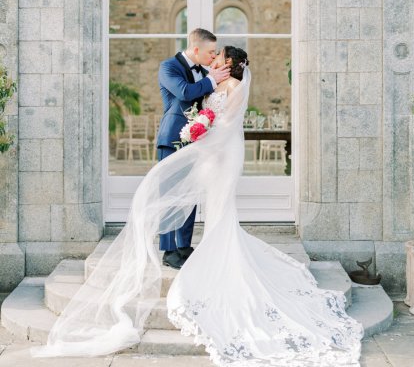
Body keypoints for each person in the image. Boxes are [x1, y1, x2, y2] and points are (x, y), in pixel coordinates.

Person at [32, 45, 363, 365]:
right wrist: (198, 127)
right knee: (205, 205)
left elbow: (227, 124)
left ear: (231, 63)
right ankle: (203, 249)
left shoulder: (233, 86)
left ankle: (219, 258)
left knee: (220, 207)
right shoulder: (214, 83)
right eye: (213, 54)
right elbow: (205, 110)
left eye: (220, 56)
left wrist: (200, 130)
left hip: (224, 153)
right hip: (209, 151)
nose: (215, 60)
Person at [156, 28, 230, 270]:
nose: (213, 56)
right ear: (196, 49)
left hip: (197, 140)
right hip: (172, 139)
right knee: (169, 195)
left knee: (190, 194)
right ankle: (169, 251)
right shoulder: (169, 67)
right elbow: (185, 92)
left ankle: (184, 246)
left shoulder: (206, 71)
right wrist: (212, 80)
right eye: (210, 52)